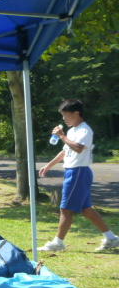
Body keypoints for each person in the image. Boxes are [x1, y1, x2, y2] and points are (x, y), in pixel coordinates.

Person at [38, 99, 119, 252]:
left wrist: (62, 136)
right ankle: (111, 238)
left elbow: (78, 148)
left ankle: (58, 243)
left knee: (65, 209)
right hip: (73, 172)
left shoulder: (85, 130)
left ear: (76, 113)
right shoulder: (72, 131)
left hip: (78, 172)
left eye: (66, 115)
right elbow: (65, 151)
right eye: (62, 116)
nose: (64, 119)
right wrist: (49, 165)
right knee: (86, 209)